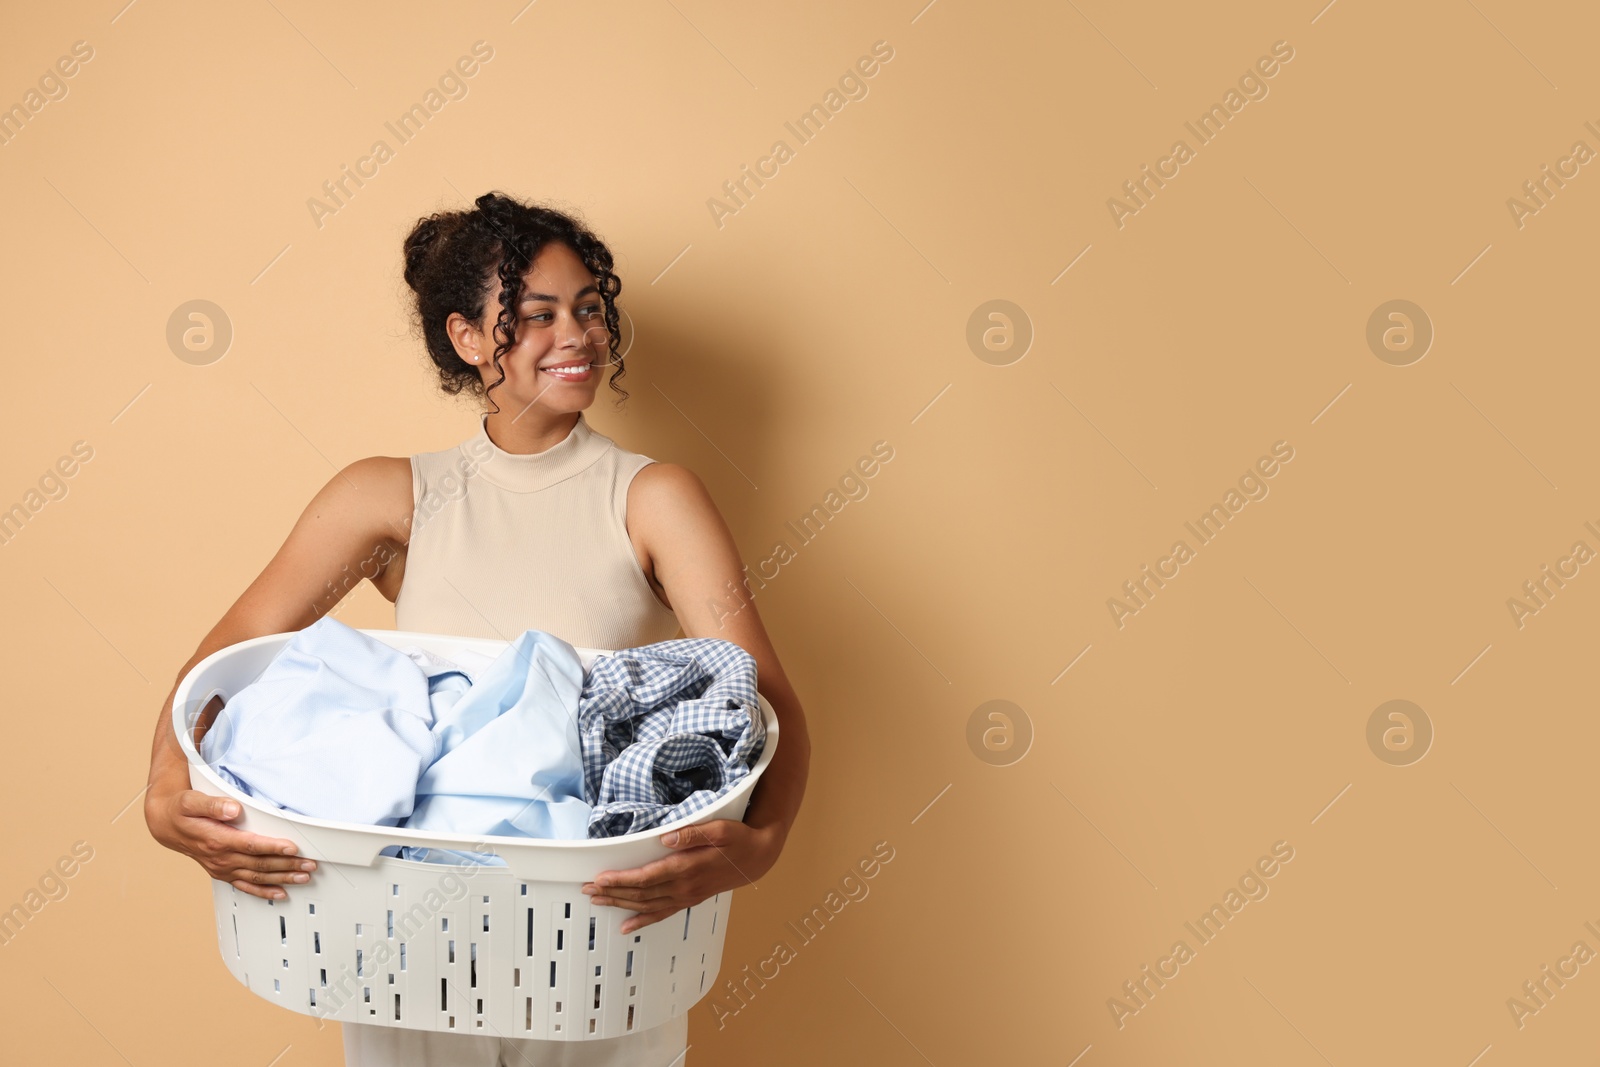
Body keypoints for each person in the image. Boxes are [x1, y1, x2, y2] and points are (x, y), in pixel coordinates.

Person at [143, 191, 812, 1066]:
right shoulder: (394, 497)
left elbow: (764, 701)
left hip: (595, 950)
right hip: (410, 948)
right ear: (466, 337)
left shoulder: (650, 498)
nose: (574, 335)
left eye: (587, 309)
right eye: (536, 316)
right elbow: (223, 664)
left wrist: (756, 852)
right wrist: (164, 799)